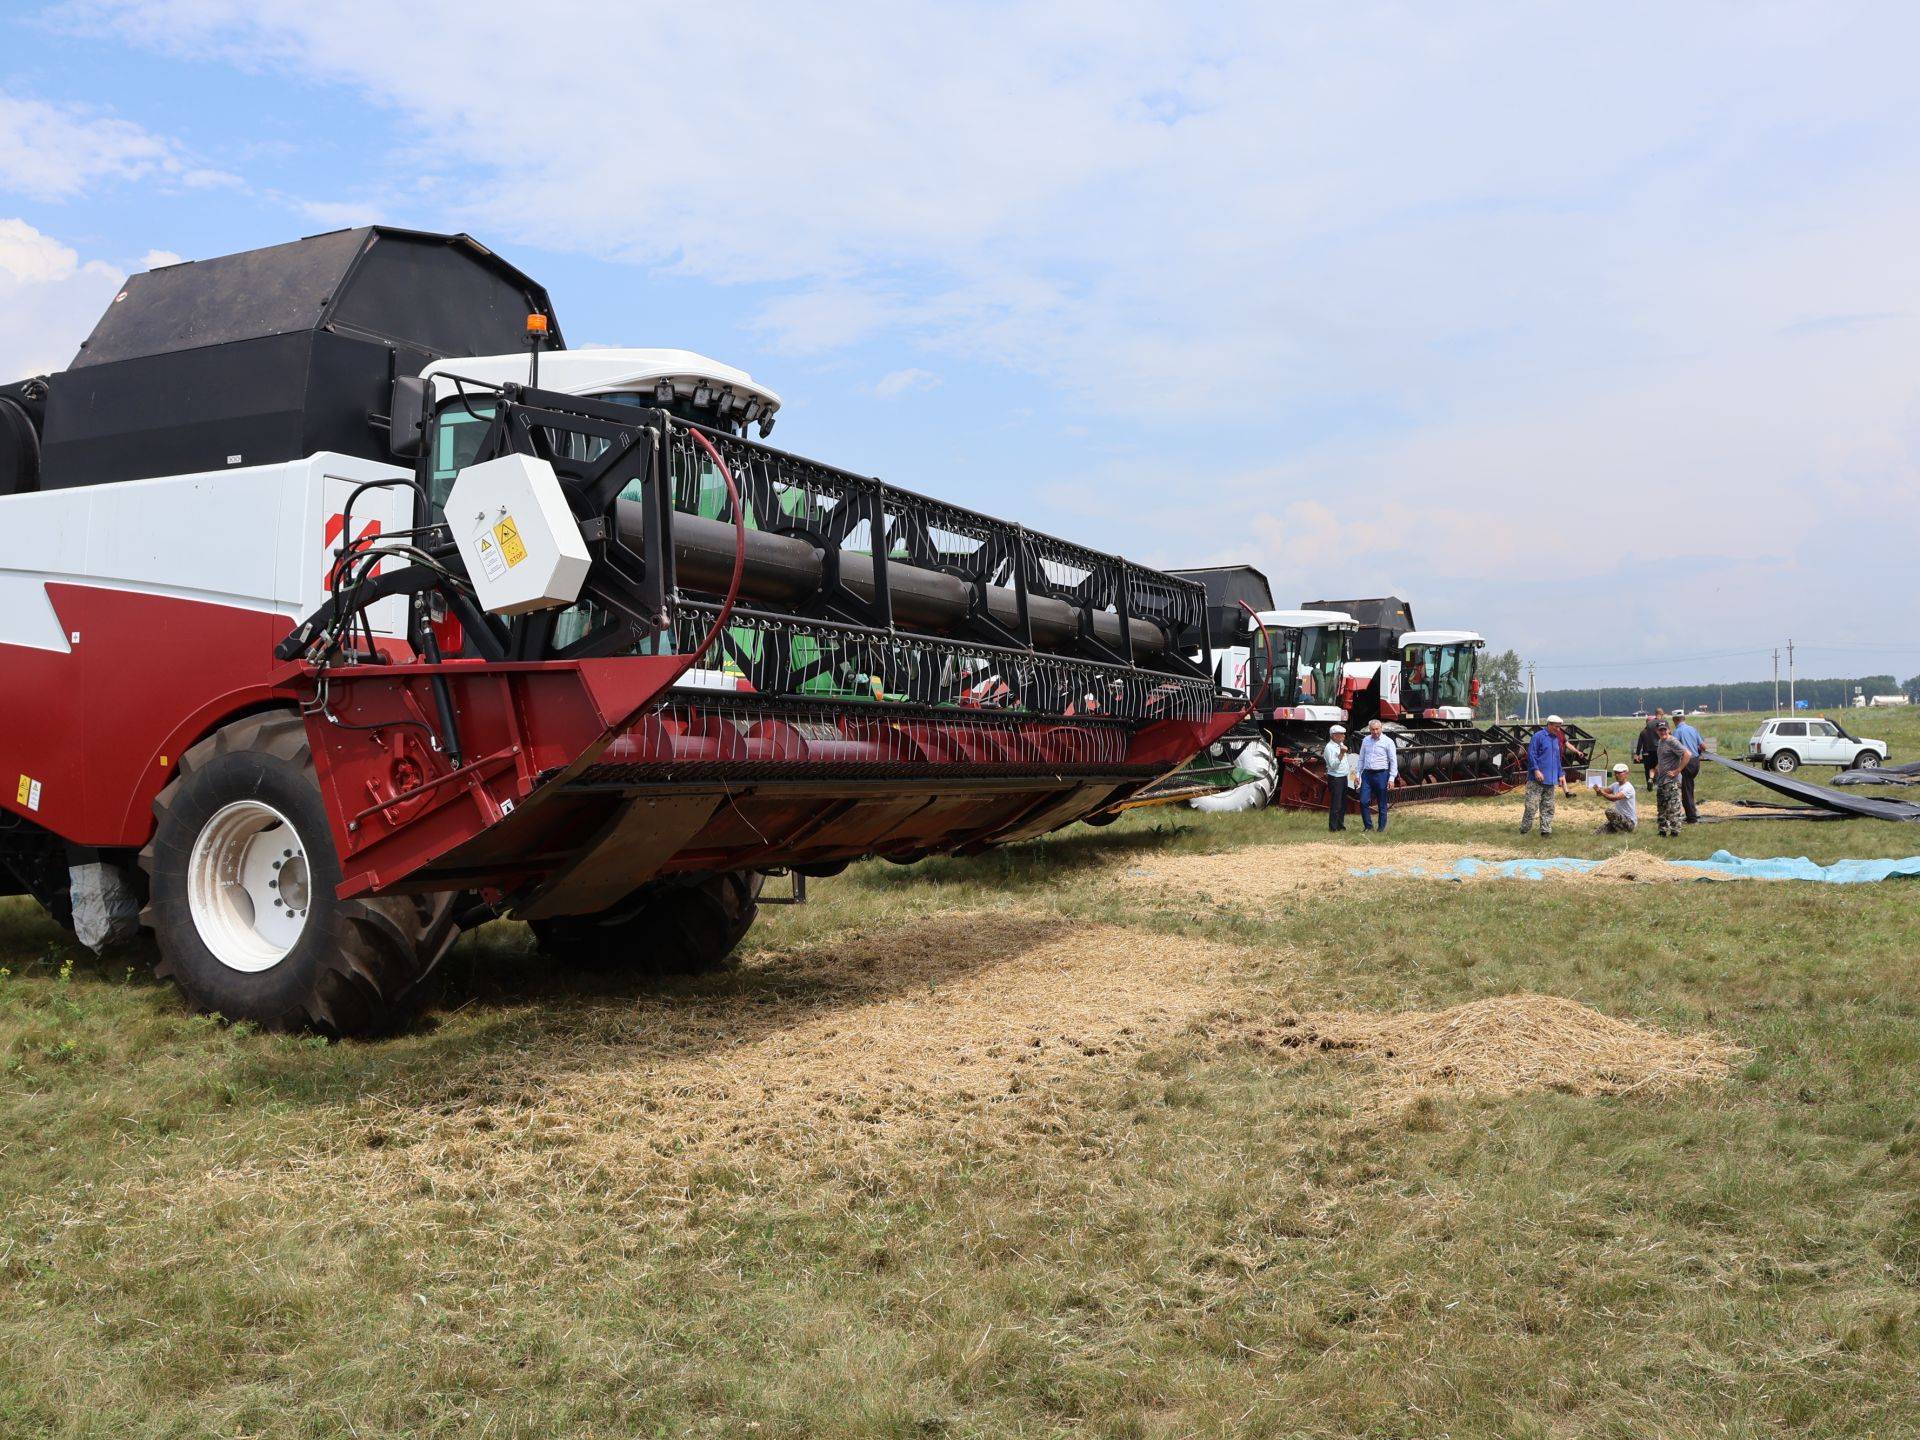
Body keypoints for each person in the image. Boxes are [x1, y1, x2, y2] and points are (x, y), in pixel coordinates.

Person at [1520, 714, 1570, 837]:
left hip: (1550, 780)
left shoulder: (1556, 739)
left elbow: (1557, 759)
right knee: (1531, 806)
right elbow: (1531, 755)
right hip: (1536, 780)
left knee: (1548, 807)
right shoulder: (1538, 737)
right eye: (1556, 727)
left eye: (1560, 727)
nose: (1558, 730)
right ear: (1549, 725)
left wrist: (1560, 774)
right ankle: (1525, 830)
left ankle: (1546, 831)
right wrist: (1536, 770)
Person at [1357, 718, 1397, 833]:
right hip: (1367, 775)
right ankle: (1368, 826)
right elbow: (1361, 758)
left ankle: (1381, 828)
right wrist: (1358, 774)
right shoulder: (1365, 740)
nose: (1375, 732)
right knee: (1363, 801)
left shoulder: (1388, 741)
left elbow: (1393, 760)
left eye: (1377, 729)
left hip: (1381, 774)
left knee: (1382, 802)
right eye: (1372, 730)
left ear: (1381, 728)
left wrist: (1391, 778)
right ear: (1369, 730)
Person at [1653, 717, 1689, 837]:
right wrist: (1656, 770)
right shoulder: (1660, 742)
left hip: (1672, 781)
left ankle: (1675, 832)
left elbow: (1687, 754)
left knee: (1673, 807)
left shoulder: (1672, 741)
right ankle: (1662, 830)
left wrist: (1678, 770)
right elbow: (1662, 760)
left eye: (1664, 730)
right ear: (1657, 731)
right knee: (1662, 807)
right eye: (1660, 730)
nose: (1663, 732)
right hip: (1662, 780)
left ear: (1668, 730)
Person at [1671, 713, 1705, 824]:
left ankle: (1692, 818)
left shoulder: (1678, 731)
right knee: (1689, 788)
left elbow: (1673, 747)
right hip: (1696, 762)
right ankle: (1693, 810)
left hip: (1686, 762)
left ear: (1674, 720)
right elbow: (1703, 746)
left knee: (1686, 791)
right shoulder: (1693, 729)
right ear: (1684, 718)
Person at [1323, 724, 1355, 832]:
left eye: (1343, 734)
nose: (1343, 736)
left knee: (1343, 803)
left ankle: (1340, 824)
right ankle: (1333, 827)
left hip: (1343, 777)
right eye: (1341, 734)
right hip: (1335, 778)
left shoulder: (1340, 744)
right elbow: (1333, 765)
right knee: (1336, 804)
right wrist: (1341, 753)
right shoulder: (1329, 748)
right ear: (1334, 735)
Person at [1595, 762, 1637, 834]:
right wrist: (1597, 789)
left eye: (1619, 773)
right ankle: (1618, 829)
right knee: (1597, 833)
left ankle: (1622, 830)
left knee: (1609, 811)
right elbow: (1602, 792)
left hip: (1629, 822)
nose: (1617, 775)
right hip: (1619, 819)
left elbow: (1615, 798)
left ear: (1626, 773)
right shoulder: (1615, 785)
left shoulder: (1628, 787)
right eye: (1616, 773)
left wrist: (1602, 792)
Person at [1632, 710, 1663, 789]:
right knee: (1655, 767)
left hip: (1645, 754)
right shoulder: (1656, 732)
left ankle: (1648, 782)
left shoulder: (1643, 732)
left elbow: (1639, 744)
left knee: (1647, 769)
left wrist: (1637, 754)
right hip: (1654, 752)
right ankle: (1655, 782)